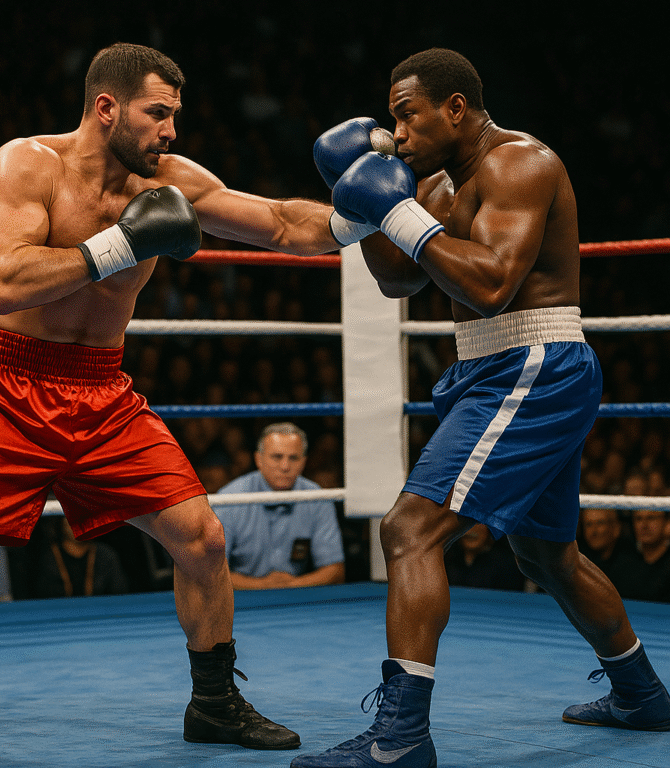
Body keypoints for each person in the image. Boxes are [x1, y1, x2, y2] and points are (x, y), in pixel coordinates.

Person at [0, 42, 364, 752]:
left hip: (100, 390)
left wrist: (362, 217)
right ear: (107, 108)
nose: (170, 131)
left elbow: (276, 223)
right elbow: (9, 281)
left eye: (175, 116)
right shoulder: (24, 165)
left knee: (203, 540)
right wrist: (121, 243)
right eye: (157, 114)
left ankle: (213, 704)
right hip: (2, 384)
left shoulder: (170, 179)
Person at [292, 48, 670, 768]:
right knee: (546, 552)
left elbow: (493, 282)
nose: (396, 134)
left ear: (455, 107)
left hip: (533, 363)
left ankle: (400, 738)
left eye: (407, 114)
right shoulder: (437, 186)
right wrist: (363, 201)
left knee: (409, 529)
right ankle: (642, 695)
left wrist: (394, 209)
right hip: (496, 367)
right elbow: (402, 282)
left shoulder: (518, 163)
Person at [212, 423, 345, 590]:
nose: (285, 467)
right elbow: (210, 573)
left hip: (297, 597)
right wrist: (262, 585)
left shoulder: (316, 496)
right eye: (277, 457)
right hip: (241, 600)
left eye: (293, 458)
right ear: (258, 459)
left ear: (304, 462)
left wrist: (292, 585)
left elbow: (335, 570)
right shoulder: (230, 499)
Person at [444, 522, 525, 592]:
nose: (472, 529)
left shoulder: (506, 565)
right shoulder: (446, 559)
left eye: (479, 523)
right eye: (467, 523)